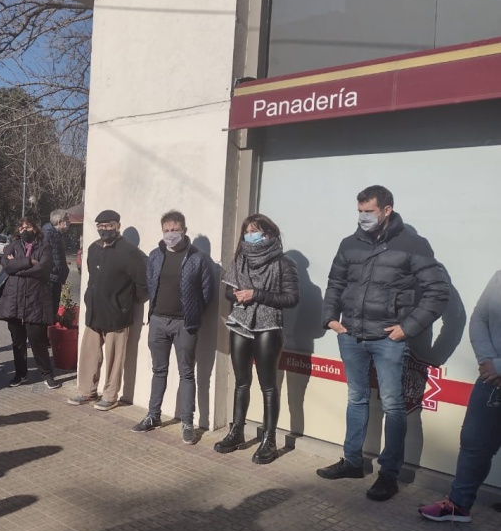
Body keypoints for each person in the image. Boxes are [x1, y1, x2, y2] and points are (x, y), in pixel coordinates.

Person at [318, 185, 449, 501]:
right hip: (351, 336)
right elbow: (335, 282)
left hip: (388, 340)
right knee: (356, 398)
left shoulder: (412, 245)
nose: (363, 217)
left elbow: (438, 292)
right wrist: (331, 320)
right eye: (360, 211)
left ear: (386, 210)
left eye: (369, 211)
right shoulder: (350, 244)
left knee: (393, 405)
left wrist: (408, 328)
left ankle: (388, 475)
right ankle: (352, 461)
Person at [418, 271, 501, 531]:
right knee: (474, 443)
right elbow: (480, 318)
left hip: (496, 372)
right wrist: (488, 361)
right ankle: (459, 506)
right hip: (492, 379)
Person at [215, 214, 299, 463]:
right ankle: (237, 431)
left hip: (268, 327)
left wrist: (257, 294)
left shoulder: (284, 263)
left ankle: (269, 440)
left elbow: (292, 299)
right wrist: (236, 295)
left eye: (256, 231)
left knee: (268, 386)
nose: (250, 236)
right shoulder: (241, 260)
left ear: (269, 233)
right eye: (247, 231)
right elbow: (228, 291)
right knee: (241, 381)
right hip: (240, 324)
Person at [132, 210, 216, 444]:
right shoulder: (155, 256)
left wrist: (193, 314)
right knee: (158, 371)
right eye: (166, 230)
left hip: (184, 324)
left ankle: (188, 423)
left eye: (175, 230)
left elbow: (208, 293)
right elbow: (150, 283)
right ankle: (153, 416)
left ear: (184, 230)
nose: (170, 234)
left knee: (187, 373)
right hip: (157, 321)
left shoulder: (198, 258)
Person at [68, 209, 147, 410]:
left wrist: (125, 304)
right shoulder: (93, 249)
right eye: (100, 227)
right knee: (89, 355)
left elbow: (142, 285)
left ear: (118, 226)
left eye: (108, 226)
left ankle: (110, 395)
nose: (104, 230)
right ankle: (87, 391)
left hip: (117, 316)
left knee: (114, 358)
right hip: (94, 312)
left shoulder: (130, 252)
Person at [0, 216, 60, 389]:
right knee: (17, 341)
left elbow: (44, 269)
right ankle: (20, 374)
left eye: (28, 227)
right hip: (14, 301)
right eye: (21, 227)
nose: (25, 230)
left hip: (35, 300)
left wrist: (18, 268)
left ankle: (47, 374)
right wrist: (29, 262)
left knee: (37, 339)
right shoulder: (13, 246)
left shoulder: (44, 246)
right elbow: (6, 265)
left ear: (35, 229)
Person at [42, 209, 71, 314]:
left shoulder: (57, 234)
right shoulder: (48, 234)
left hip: (56, 278)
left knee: (53, 309)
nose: (69, 223)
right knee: (49, 310)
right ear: (59, 222)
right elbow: (44, 256)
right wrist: (55, 269)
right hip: (50, 278)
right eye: (67, 220)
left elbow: (57, 255)